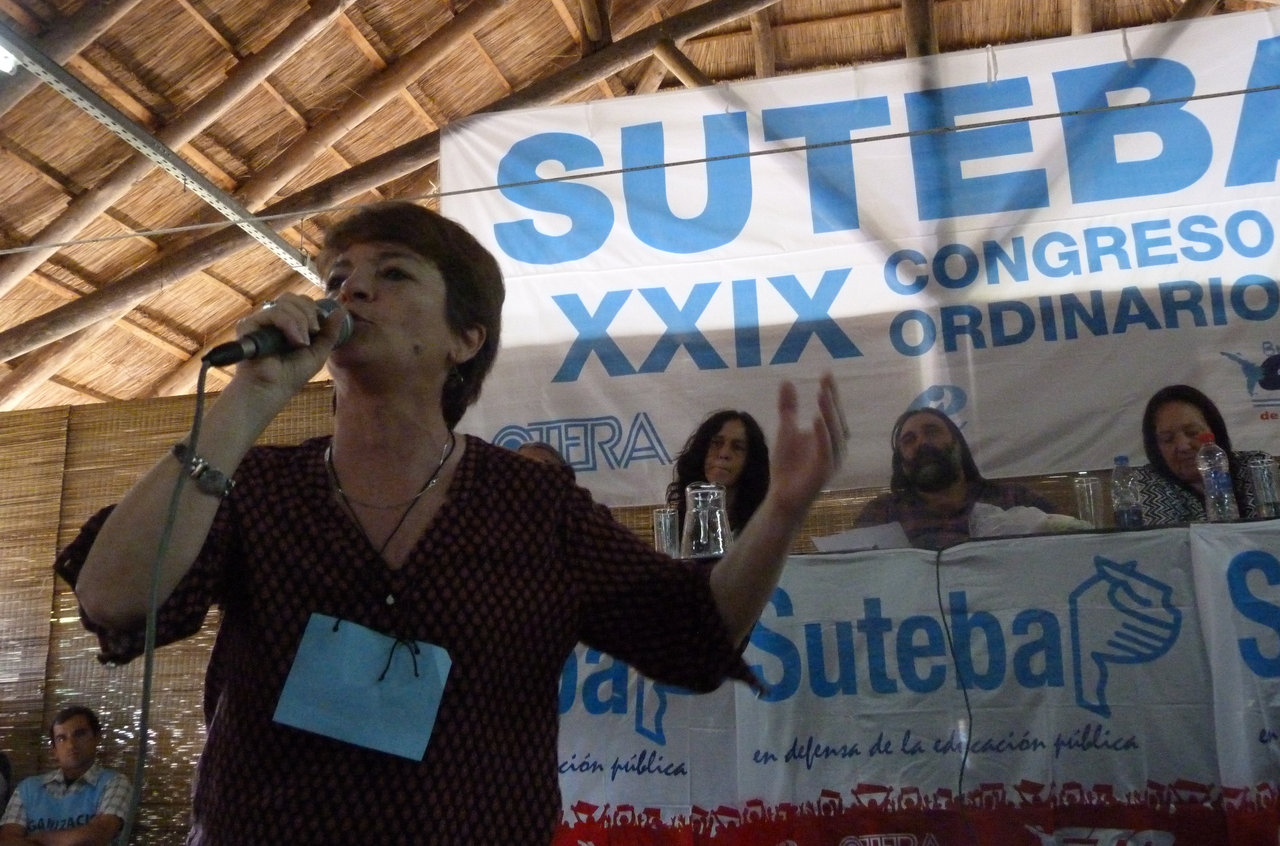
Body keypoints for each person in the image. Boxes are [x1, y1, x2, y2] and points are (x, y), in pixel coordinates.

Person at [56, 201, 848, 846]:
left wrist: (782, 510)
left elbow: (695, 634)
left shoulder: (535, 508)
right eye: (337, 276)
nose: (350, 290)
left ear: (465, 340)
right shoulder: (257, 486)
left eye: (393, 273)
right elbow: (113, 598)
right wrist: (251, 395)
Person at [854, 406, 1057, 550]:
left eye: (932, 432)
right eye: (909, 440)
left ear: (958, 444)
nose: (922, 443)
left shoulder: (1015, 499)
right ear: (901, 463)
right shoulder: (881, 514)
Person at [1133, 384, 1268, 524]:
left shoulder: (1254, 466)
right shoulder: (1146, 481)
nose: (1183, 446)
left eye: (1192, 432)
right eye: (1168, 439)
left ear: (1214, 431)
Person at [0, 706, 130, 846]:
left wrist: (38, 838)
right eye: (62, 739)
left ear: (97, 737)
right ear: (54, 749)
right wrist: (75, 836)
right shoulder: (28, 788)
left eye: (79, 734)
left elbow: (99, 834)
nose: (71, 745)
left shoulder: (114, 782)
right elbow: (7, 841)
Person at [666, 410, 770, 537]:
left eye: (737, 447)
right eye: (716, 443)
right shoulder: (676, 524)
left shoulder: (764, 526)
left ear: (751, 460)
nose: (724, 454)